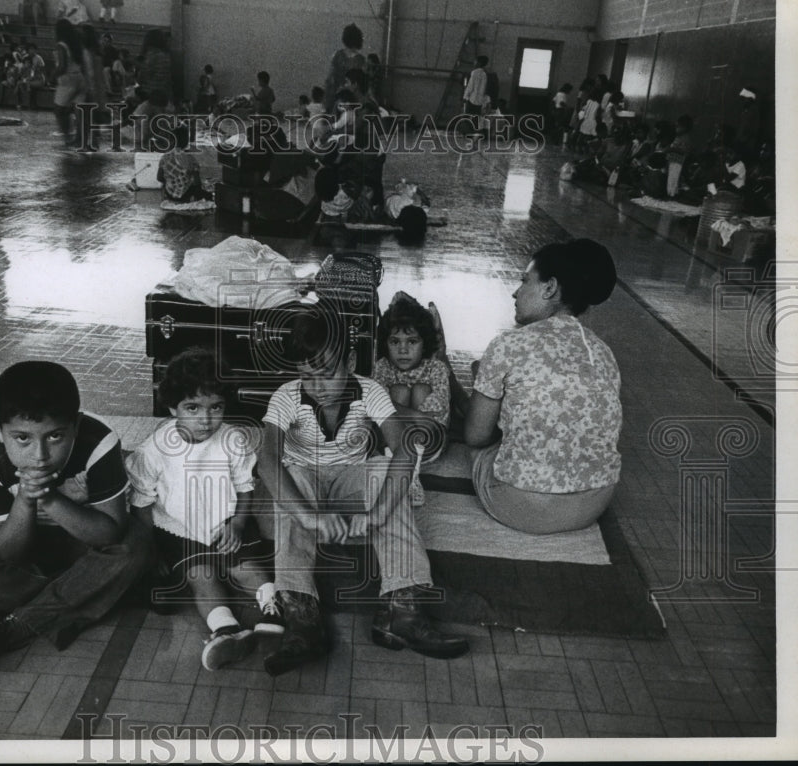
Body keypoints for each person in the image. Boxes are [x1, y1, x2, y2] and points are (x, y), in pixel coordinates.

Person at [257, 307, 471, 677]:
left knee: (386, 470)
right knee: (290, 478)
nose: (318, 387)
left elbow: (404, 450)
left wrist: (380, 511)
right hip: (307, 486)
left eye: (327, 373)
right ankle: (303, 622)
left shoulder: (370, 390)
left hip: (349, 481)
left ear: (351, 361)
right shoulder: (286, 397)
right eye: (307, 376)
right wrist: (309, 516)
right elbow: (267, 461)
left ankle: (401, 611)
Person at [0, 361, 152, 683]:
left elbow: (109, 533)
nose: (40, 455)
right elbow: (3, 550)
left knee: (134, 547)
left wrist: (51, 499)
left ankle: (10, 630)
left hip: (82, 540)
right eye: (22, 438)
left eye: (55, 436)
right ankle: (94, 591)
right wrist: (25, 500)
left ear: (75, 425)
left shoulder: (99, 442)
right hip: (25, 553)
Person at [127, 348, 283, 671]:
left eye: (216, 407)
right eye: (193, 407)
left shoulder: (232, 439)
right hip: (180, 530)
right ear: (172, 407)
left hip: (227, 521)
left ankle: (274, 611)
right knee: (201, 576)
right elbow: (141, 502)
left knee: (245, 567)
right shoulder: (154, 450)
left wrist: (237, 524)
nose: (206, 419)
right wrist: (152, 550)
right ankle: (225, 630)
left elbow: (244, 487)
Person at [463, 239, 622, 535]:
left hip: (522, 506)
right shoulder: (603, 352)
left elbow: (476, 436)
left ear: (550, 288)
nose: (516, 291)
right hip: (594, 502)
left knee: (478, 448)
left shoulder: (507, 344)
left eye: (525, 280)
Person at [373, 293, 451, 458]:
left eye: (412, 341)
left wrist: (415, 420)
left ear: (425, 344)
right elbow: (377, 403)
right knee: (399, 391)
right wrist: (414, 416)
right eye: (395, 342)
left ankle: (415, 450)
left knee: (421, 389)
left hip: (429, 438)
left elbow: (436, 411)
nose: (403, 350)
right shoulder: (383, 366)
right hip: (393, 437)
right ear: (386, 343)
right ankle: (397, 450)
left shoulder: (436, 368)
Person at [53, 18, 87, 146]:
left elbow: (62, 66)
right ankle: (80, 138)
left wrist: (52, 76)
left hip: (68, 79)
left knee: (59, 109)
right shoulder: (75, 44)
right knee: (79, 111)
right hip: (79, 77)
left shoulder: (61, 45)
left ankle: (67, 136)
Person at [323, 23, 366, 112]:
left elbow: (330, 79)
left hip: (338, 96)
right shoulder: (361, 60)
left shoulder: (338, 55)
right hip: (354, 98)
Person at [138, 29, 173, 103]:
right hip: (162, 93)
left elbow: (142, 77)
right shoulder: (164, 55)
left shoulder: (152, 56)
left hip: (150, 93)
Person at [462, 55, 489, 120]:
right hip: (479, 101)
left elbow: (470, 86)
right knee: (476, 120)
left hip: (472, 99)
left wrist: (465, 97)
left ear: (479, 63)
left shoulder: (474, 72)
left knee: (466, 118)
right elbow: (484, 88)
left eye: (475, 61)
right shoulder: (484, 74)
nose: (474, 63)